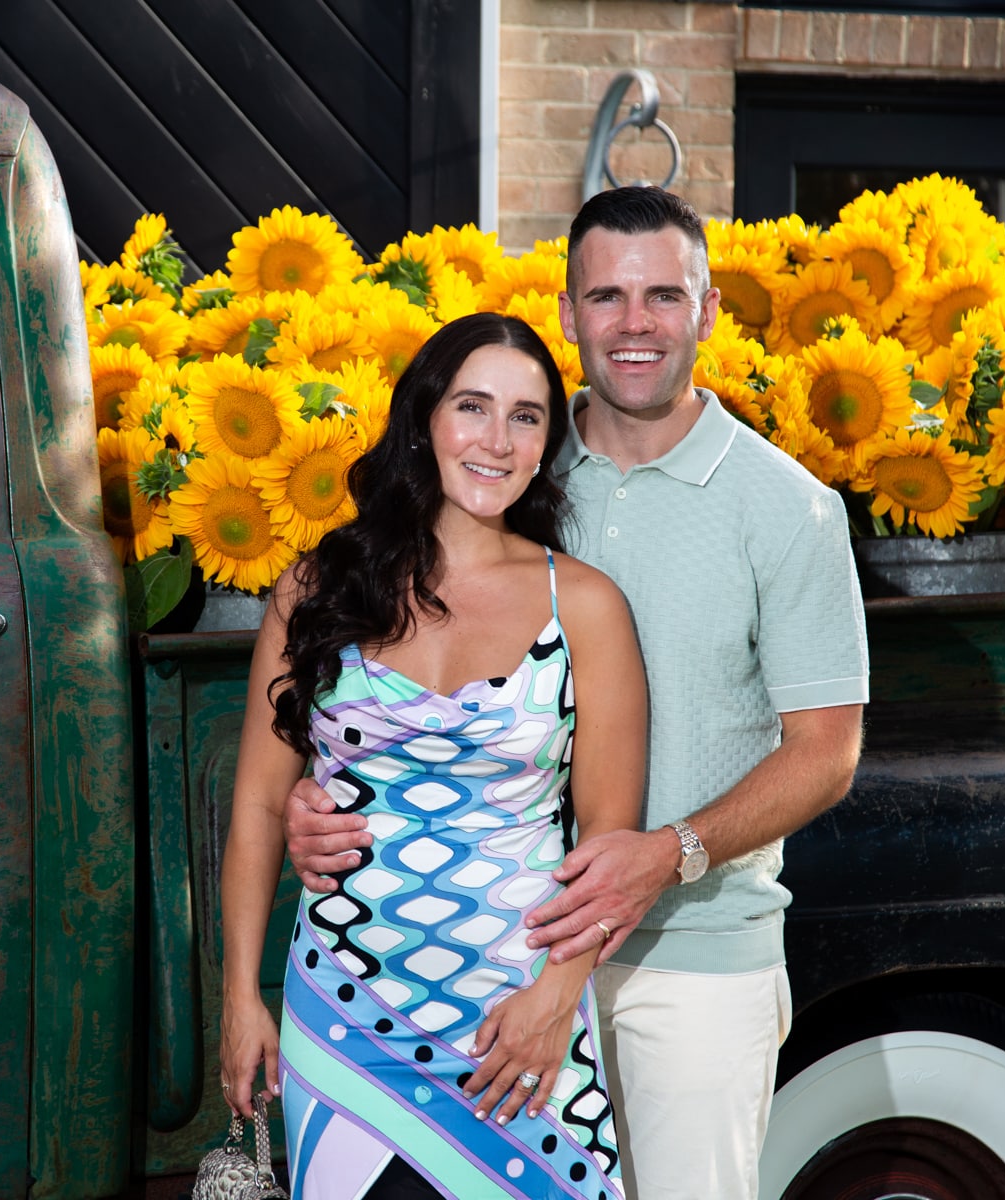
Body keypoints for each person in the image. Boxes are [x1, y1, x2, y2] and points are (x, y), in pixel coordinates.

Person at [285, 187, 869, 1200]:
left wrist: (670, 854)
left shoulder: (788, 508)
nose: (635, 323)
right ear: (567, 314)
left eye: (663, 296)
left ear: (709, 310)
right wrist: (324, 795)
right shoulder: (507, 460)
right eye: (607, 296)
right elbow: (382, 663)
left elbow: (827, 751)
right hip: (493, 953)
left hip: (694, 959)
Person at [219, 311, 647, 1199]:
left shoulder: (585, 606)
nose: (497, 440)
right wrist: (240, 998)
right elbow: (260, 803)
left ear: (546, 445)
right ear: (423, 419)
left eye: (526, 417)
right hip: (346, 1018)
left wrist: (556, 1000)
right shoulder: (316, 588)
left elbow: (609, 842)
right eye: (472, 407)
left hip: (518, 1019)